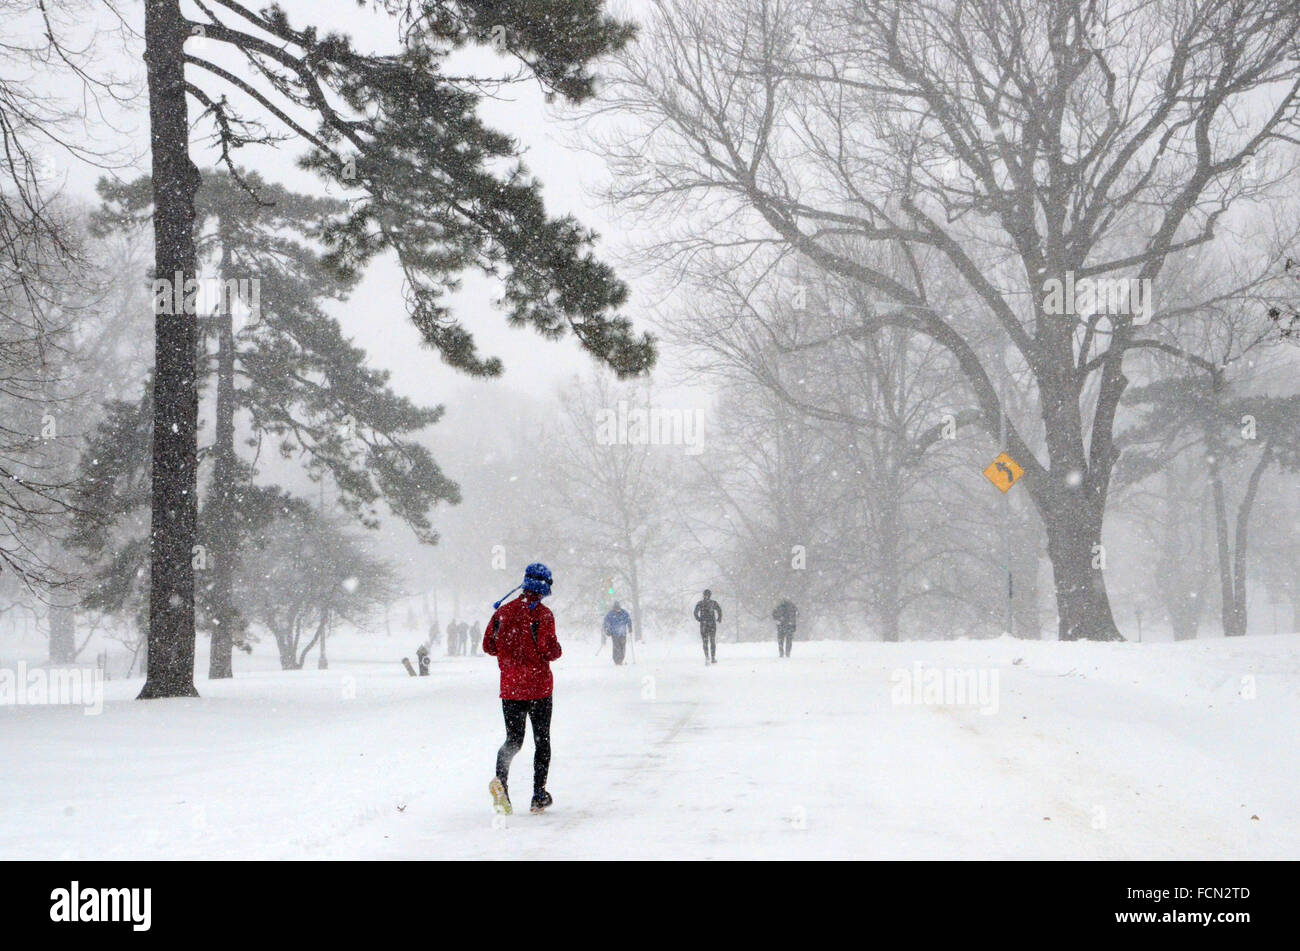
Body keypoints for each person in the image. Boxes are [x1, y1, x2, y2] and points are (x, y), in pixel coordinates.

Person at [484, 563, 562, 815]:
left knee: (513, 740)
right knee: (542, 741)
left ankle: (501, 783)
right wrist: (554, 649)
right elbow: (549, 650)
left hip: (511, 690)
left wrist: (510, 653)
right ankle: (539, 794)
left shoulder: (503, 612)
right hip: (539, 689)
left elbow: (489, 645)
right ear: (544, 587)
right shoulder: (543, 615)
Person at [693, 589, 722, 664]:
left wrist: (699, 619)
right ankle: (712, 657)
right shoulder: (713, 603)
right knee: (712, 641)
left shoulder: (700, 603)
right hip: (712, 624)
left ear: (703, 595)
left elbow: (695, 613)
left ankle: (707, 657)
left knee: (705, 642)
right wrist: (719, 618)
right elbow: (719, 610)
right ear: (710, 595)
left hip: (704, 625)